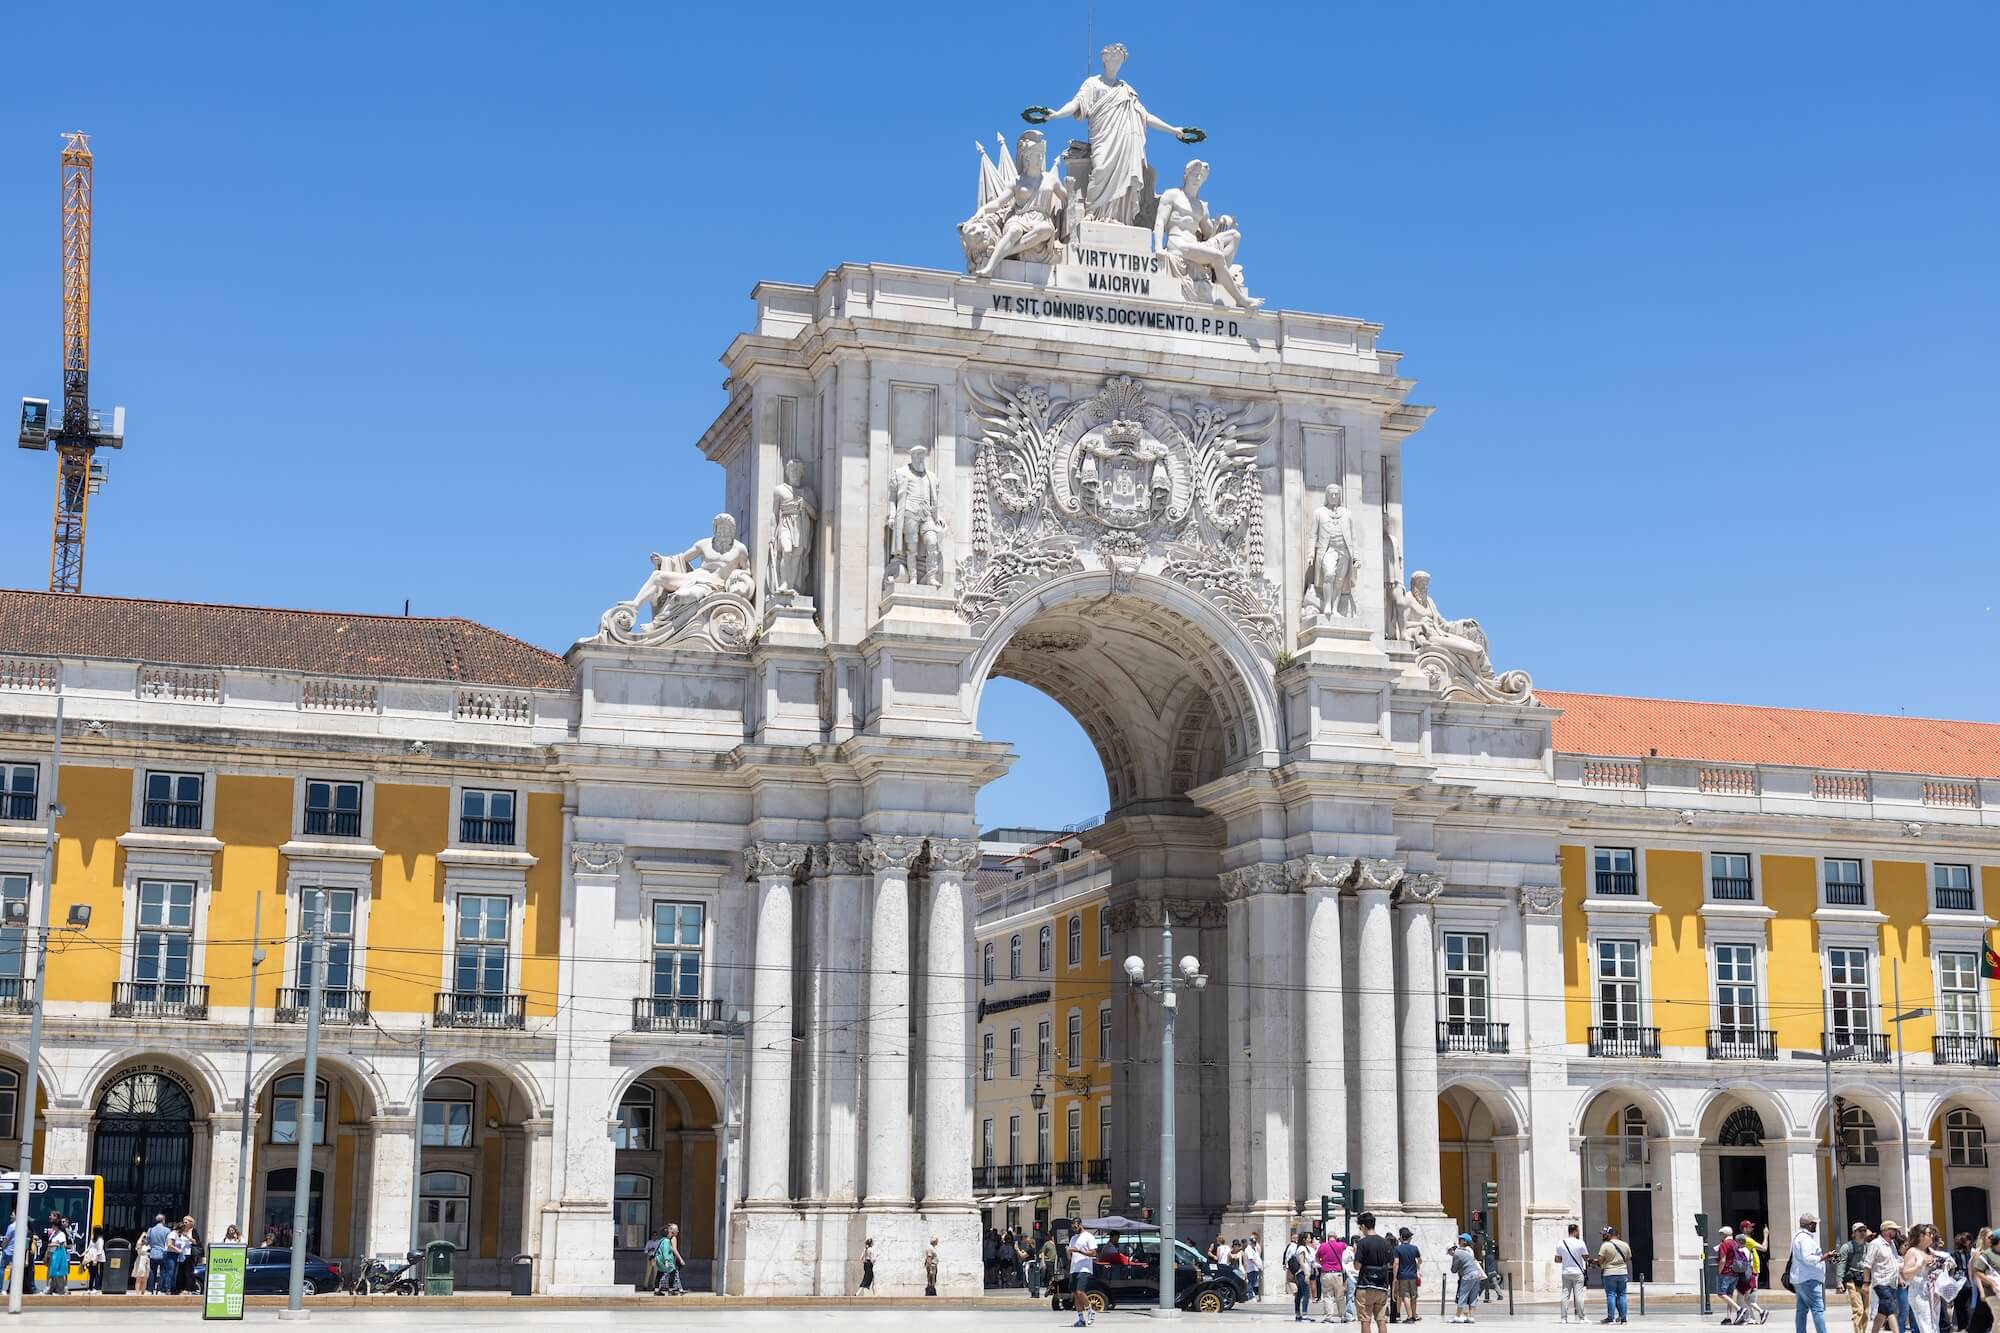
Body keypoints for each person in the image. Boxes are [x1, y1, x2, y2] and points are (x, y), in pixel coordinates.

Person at [1905, 1225, 1952, 1333]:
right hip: (1919, 1293)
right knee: (1926, 1327)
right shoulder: (1912, 1251)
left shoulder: (1931, 1251)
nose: (1932, 1236)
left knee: (1935, 1326)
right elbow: (1906, 1274)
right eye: (1929, 1234)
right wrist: (1920, 1265)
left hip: (1933, 1292)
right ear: (1921, 1236)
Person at [1354, 1214, 1396, 1333]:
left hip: (1365, 1285)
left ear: (1363, 1226)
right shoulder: (1385, 1243)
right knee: (1381, 1320)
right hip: (1381, 1286)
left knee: (1366, 1320)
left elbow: (1357, 1266)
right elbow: (1391, 1263)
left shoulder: (1362, 1243)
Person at [1794, 1212, 1835, 1333]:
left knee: (1801, 1310)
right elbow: (1807, 1258)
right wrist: (1824, 1257)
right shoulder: (1805, 1239)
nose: (1816, 1225)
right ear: (1809, 1225)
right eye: (1814, 1223)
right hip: (1809, 1279)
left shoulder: (1798, 1237)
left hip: (1802, 1278)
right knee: (1818, 1309)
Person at [1836, 1224, 1876, 1333]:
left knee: (1866, 1311)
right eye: (1860, 1231)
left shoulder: (1869, 1246)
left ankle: (1862, 1330)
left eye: (1864, 1230)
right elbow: (1841, 1263)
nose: (1863, 1233)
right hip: (1852, 1280)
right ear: (1854, 1233)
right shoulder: (1846, 1247)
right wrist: (1839, 1281)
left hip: (1865, 1280)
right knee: (1858, 1310)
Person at [1871, 1224, 1909, 1333]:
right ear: (1885, 1231)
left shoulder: (1891, 1244)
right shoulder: (1875, 1244)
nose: (1896, 1232)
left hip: (1891, 1282)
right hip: (1881, 1282)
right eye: (1894, 1230)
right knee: (1891, 1309)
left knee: (1882, 1312)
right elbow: (1868, 1264)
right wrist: (1865, 1282)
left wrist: (1901, 1275)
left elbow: (1895, 1262)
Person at [1596, 1224, 1632, 1324]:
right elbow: (1628, 1258)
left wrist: (1597, 1262)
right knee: (1622, 1295)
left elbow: (1600, 1260)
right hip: (1623, 1272)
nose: (1603, 1236)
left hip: (1609, 1273)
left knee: (1611, 1295)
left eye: (1604, 1234)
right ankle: (1623, 1318)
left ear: (1609, 1234)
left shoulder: (1605, 1245)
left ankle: (1610, 1318)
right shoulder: (1625, 1245)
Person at [1556, 1222, 1591, 1324]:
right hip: (1577, 1272)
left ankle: (1563, 1318)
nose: (1579, 1233)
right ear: (1575, 1231)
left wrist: (1566, 1259)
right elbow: (1586, 1257)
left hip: (1566, 1272)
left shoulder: (1561, 1243)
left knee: (1565, 1295)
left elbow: (1557, 1259)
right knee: (1579, 1295)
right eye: (1578, 1231)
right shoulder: (1580, 1243)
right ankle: (1582, 1318)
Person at [1448, 1235, 1486, 1325]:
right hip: (1477, 1274)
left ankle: (1457, 1316)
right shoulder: (1466, 1251)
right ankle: (1471, 1317)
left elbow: (1454, 1269)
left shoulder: (1457, 1253)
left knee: (1463, 1295)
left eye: (1449, 1252)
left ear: (1451, 1249)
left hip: (1468, 1274)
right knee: (1473, 1296)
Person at [1068, 1218, 1099, 1327]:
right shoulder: (1073, 1238)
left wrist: (1079, 1251)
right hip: (1074, 1268)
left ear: (1081, 1225)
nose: (1074, 1229)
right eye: (1073, 1228)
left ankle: (1091, 1310)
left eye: (1076, 1227)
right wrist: (1068, 1253)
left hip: (1084, 1268)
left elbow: (1093, 1253)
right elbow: (1071, 1255)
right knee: (1076, 1294)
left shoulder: (1088, 1237)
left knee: (1080, 1291)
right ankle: (1081, 1319)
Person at [1394, 1227, 1423, 1324]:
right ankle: (1414, 1315)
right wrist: (1418, 1269)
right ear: (1409, 1238)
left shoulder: (1398, 1249)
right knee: (1414, 1296)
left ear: (1401, 1237)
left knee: (1405, 1295)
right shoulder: (1415, 1248)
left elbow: (1396, 1263)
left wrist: (1394, 1277)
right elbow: (1420, 1260)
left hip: (1402, 1275)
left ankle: (1409, 1317)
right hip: (1413, 1275)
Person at [1319, 1229, 1349, 1322]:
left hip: (1326, 1273)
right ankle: (1343, 1316)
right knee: (1340, 1295)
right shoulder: (1340, 1245)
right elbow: (1346, 1245)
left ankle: (1328, 1316)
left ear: (1328, 1238)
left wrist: (1321, 1263)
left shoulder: (1322, 1246)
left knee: (1328, 1295)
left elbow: (1317, 1257)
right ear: (1336, 1238)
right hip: (1337, 1273)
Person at [1291, 1230, 1316, 1322]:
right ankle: (1304, 1314)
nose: (1310, 1239)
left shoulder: (1305, 1248)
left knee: (1300, 1294)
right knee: (1306, 1294)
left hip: (1303, 1273)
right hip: (1302, 1273)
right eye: (1309, 1237)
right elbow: (1301, 1262)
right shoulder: (1302, 1248)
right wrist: (1306, 1274)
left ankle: (1298, 1314)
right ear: (1304, 1239)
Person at [143, 1214, 170, 1295]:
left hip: (153, 1253)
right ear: (163, 1220)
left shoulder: (150, 1230)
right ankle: (160, 1289)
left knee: (152, 1272)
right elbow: (168, 1243)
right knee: (163, 1272)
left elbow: (147, 1242)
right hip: (163, 1253)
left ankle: (150, 1290)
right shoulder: (167, 1230)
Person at [45, 1216, 70, 1296]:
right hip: (53, 1254)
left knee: (58, 1273)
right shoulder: (53, 1233)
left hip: (59, 1255)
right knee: (52, 1273)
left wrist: (53, 1244)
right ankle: (50, 1289)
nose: (52, 1227)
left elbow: (63, 1244)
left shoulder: (61, 1234)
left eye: (53, 1225)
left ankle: (60, 1290)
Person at [657, 1223, 684, 1295]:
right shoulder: (670, 1239)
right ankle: (673, 1290)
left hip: (661, 1259)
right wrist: (680, 1259)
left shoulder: (663, 1240)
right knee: (673, 1274)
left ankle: (658, 1290)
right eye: (676, 1230)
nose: (678, 1231)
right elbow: (673, 1250)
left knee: (662, 1274)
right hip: (668, 1259)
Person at [84, 1226, 105, 1293]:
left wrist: (96, 1259)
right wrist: (84, 1253)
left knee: (95, 1272)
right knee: (91, 1272)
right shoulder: (93, 1238)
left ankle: (96, 1287)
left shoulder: (100, 1240)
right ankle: (90, 1288)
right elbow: (89, 1247)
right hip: (91, 1256)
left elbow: (100, 1250)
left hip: (97, 1258)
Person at [1245, 1233, 1263, 1301]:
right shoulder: (1249, 1249)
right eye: (1253, 1242)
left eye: (1255, 1242)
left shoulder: (1254, 1248)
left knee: (1253, 1282)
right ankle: (1250, 1296)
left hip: (1255, 1269)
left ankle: (1250, 1294)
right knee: (1251, 1282)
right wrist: (1257, 1265)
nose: (1255, 1244)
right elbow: (1251, 1259)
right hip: (1251, 1269)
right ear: (1250, 1242)